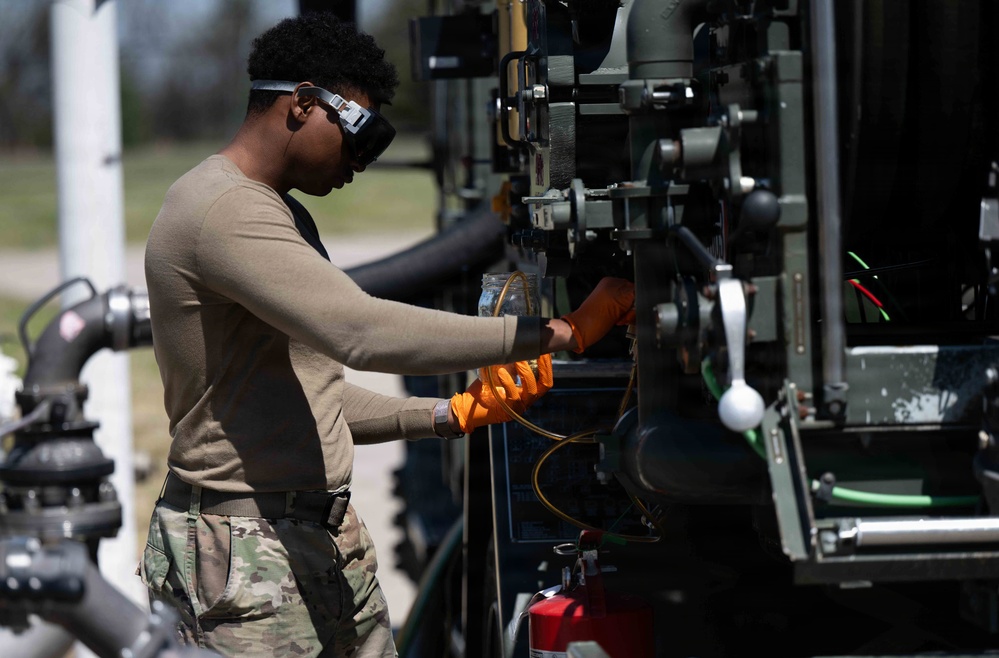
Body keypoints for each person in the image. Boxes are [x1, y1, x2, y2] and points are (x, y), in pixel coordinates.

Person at [138, 13, 635, 658]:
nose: (359, 164)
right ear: (304, 103)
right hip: (244, 552)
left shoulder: (277, 210)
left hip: (308, 537)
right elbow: (360, 330)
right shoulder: (221, 210)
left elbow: (309, 398)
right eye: (359, 135)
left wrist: (446, 414)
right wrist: (559, 331)